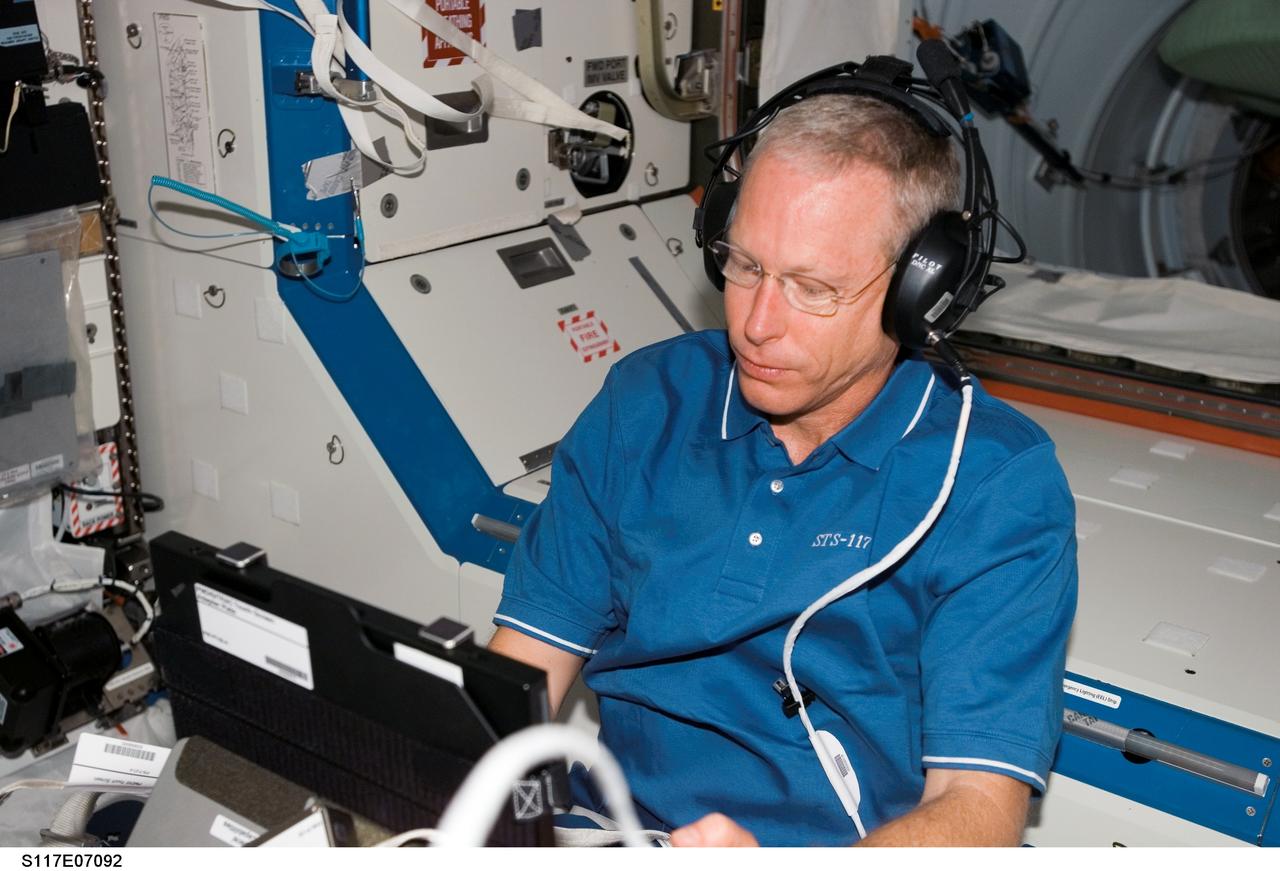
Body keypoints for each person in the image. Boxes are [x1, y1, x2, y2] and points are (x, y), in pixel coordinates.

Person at [489, 93, 1078, 847]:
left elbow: (979, 809)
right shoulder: (646, 404)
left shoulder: (994, 483)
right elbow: (521, 678)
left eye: (813, 287)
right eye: (745, 265)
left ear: (917, 291)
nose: (757, 323)